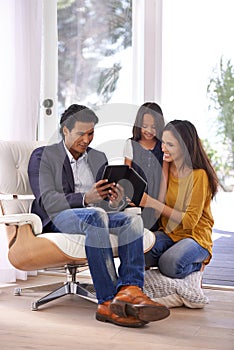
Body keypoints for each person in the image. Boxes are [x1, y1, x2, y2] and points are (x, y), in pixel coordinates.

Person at [28, 104, 170, 328]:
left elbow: (104, 204)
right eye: (80, 133)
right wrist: (86, 198)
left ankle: (131, 290)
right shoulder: (43, 156)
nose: (86, 139)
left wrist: (115, 200)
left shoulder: (98, 157)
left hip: (95, 214)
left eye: (91, 133)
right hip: (58, 217)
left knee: (132, 219)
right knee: (96, 216)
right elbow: (47, 199)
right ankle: (107, 301)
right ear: (65, 130)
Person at [142, 120, 219, 278]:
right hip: (170, 233)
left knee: (169, 264)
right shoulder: (168, 165)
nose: (163, 148)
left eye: (170, 144)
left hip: (195, 236)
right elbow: (161, 199)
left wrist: (151, 202)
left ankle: (198, 264)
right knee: (140, 254)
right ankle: (170, 254)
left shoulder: (199, 175)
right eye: (163, 142)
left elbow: (190, 221)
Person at [123, 102, 167, 231]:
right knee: (134, 231)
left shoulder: (163, 146)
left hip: (155, 200)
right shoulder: (131, 144)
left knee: (152, 232)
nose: (149, 131)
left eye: (153, 127)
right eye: (144, 126)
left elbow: (164, 178)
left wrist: (159, 204)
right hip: (136, 200)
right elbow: (127, 174)